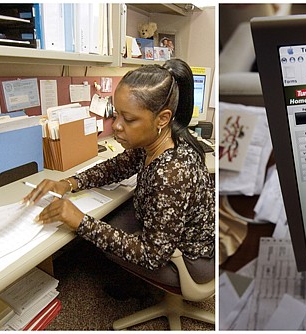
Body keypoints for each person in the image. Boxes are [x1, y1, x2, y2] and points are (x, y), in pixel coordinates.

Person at [23, 59, 215, 289]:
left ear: (162, 118)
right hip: (175, 237)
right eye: (116, 115)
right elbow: (116, 167)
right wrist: (69, 182)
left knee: (100, 231)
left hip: (190, 262)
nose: (116, 126)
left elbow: (152, 256)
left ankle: (134, 287)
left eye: (129, 119)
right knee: (107, 222)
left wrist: (80, 221)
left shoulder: (171, 175)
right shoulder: (162, 139)